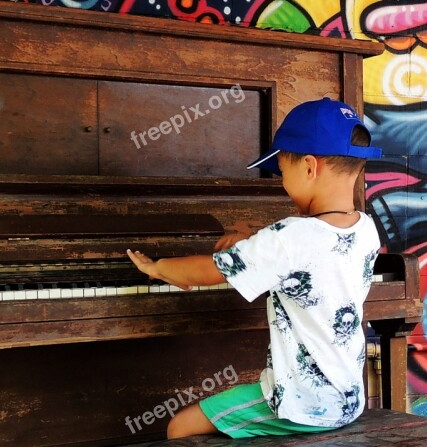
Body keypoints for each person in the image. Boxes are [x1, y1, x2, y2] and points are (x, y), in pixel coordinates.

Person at [126, 97, 383, 439]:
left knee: (179, 428)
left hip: (300, 404)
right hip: (347, 399)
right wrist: (253, 240)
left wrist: (158, 268)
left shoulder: (289, 237)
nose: (281, 182)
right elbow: (309, 246)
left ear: (309, 167)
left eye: (283, 171)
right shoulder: (365, 227)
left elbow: (208, 270)